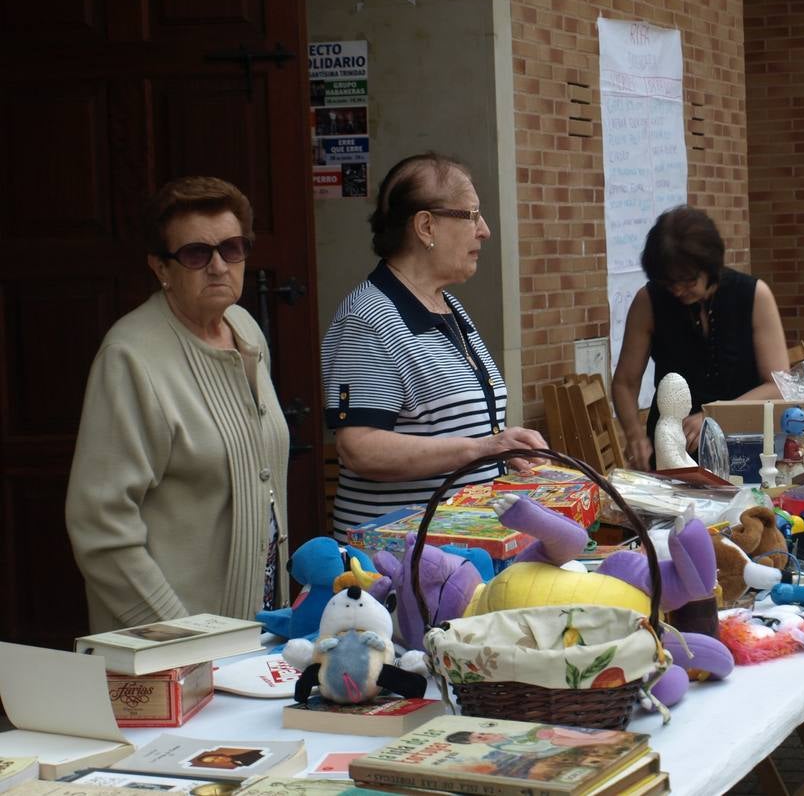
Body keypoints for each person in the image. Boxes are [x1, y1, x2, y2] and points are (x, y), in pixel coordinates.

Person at [66, 177, 289, 633]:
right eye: (195, 254)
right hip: (169, 643)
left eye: (232, 248)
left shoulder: (244, 329)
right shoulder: (130, 357)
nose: (217, 266)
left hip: (254, 629)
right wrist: (181, 635)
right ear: (161, 268)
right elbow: (101, 527)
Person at [322, 153, 545, 539]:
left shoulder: (446, 304)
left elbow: (450, 427)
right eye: (472, 215)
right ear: (426, 226)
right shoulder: (367, 319)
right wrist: (482, 448)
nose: (485, 230)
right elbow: (361, 448)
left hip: (450, 553)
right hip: (393, 562)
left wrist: (503, 446)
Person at [612, 206, 789, 471]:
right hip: (673, 452)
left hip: (746, 449)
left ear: (710, 266)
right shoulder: (649, 301)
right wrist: (635, 434)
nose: (678, 290)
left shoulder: (753, 295)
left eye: (687, 281)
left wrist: (714, 416)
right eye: (669, 283)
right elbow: (625, 382)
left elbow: (778, 385)